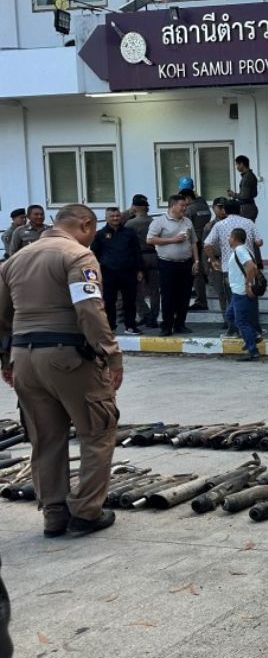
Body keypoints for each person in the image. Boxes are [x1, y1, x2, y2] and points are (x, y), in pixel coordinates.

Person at [0, 204, 122, 537]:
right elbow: (89, 310)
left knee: (46, 438)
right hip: (67, 357)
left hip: (24, 358)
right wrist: (111, 355)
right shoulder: (77, 256)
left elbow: (2, 316)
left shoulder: (14, 260)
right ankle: (85, 512)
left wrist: (6, 360)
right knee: (97, 431)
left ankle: (53, 513)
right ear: (85, 224)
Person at [205, 200, 264, 339]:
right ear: (240, 209)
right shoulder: (249, 223)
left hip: (229, 269)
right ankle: (255, 329)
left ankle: (234, 330)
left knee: (232, 300)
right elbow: (259, 242)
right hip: (248, 267)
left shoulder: (219, 225)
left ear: (225, 210)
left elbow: (207, 244)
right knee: (251, 299)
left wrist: (213, 260)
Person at [147, 194, 199, 336]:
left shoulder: (187, 221)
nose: (184, 208)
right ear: (172, 206)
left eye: (185, 205)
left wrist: (196, 261)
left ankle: (180, 324)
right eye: (182, 205)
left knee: (184, 295)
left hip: (186, 263)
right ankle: (166, 326)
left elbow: (193, 241)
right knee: (168, 296)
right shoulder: (159, 221)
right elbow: (150, 240)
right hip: (167, 264)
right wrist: (172, 240)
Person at [90, 207, 143, 335]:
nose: (115, 218)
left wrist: (140, 270)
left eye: (117, 216)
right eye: (112, 216)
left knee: (129, 301)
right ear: (106, 218)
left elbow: (137, 252)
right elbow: (94, 254)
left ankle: (130, 326)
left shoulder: (129, 232)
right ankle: (110, 327)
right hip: (108, 274)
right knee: (109, 302)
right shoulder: (100, 234)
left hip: (128, 273)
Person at [225, 228, 262, 362]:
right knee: (230, 315)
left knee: (241, 321)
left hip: (241, 291)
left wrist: (248, 285)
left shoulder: (240, 250)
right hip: (237, 290)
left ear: (234, 238)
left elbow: (251, 267)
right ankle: (254, 335)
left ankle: (253, 350)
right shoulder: (243, 250)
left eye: (229, 236)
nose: (228, 238)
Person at [125, 195, 160, 328]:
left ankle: (144, 313)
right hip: (154, 256)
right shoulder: (154, 222)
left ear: (134, 207)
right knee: (154, 290)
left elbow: (127, 244)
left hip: (138, 258)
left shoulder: (130, 224)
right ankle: (153, 317)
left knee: (135, 288)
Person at [179, 177, 213, 311]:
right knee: (204, 269)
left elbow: (185, 226)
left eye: (183, 201)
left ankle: (201, 300)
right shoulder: (203, 204)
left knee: (196, 272)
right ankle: (200, 290)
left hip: (194, 242)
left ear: (187, 197)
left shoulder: (189, 210)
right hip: (206, 240)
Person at [205, 198, 231, 330]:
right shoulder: (209, 226)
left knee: (233, 291)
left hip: (231, 260)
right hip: (216, 261)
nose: (222, 210)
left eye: (224, 207)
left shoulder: (232, 223)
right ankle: (226, 318)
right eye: (219, 207)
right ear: (213, 208)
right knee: (221, 292)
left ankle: (234, 317)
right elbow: (204, 247)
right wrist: (206, 267)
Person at [229, 155, 260, 221]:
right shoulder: (251, 176)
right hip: (250, 207)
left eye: (237, 165)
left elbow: (245, 196)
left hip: (246, 209)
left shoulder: (247, 178)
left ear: (242, 164)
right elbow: (254, 193)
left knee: (243, 229)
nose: (236, 167)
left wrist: (234, 195)